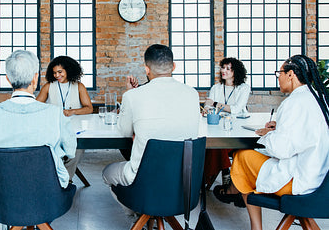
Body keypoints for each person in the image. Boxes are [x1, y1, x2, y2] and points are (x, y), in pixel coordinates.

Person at [214, 55, 329, 230]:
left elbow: (280, 150)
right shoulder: (318, 99)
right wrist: (280, 127)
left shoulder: (293, 103)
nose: (278, 77)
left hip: (298, 181)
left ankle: (254, 224)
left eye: (280, 73)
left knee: (241, 157)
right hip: (320, 177)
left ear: (290, 75)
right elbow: (308, 131)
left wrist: (267, 134)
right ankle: (234, 194)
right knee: (246, 162)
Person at [102, 44, 201, 188]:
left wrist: (129, 93)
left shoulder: (132, 96)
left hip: (145, 176)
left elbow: (124, 132)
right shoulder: (192, 93)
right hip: (183, 177)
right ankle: (148, 209)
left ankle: (141, 210)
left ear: (146, 69)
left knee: (107, 173)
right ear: (173, 66)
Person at [0, 50, 76, 189]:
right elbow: (70, 151)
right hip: (49, 194)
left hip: (3, 196)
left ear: (8, 79)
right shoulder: (55, 113)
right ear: (36, 78)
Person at [36, 56, 93, 180]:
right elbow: (36, 107)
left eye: (60, 72)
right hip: (53, 130)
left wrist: (73, 111)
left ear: (68, 70)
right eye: (54, 73)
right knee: (53, 151)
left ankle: (65, 180)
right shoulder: (48, 86)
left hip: (74, 130)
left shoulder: (79, 86)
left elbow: (89, 108)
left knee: (77, 150)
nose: (57, 75)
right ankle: (63, 180)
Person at [203, 58, 250, 191]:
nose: (224, 71)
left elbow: (236, 109)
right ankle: (224, 173)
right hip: (217, 126)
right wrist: (207, 107)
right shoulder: (216, 88)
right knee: (215, 145)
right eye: (223, 68)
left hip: (237, 128)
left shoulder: (243, 88)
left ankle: (223, 174)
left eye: (228, 69)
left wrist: (215, 104)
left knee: (222, 145)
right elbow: (208, 104)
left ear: (236, 71)